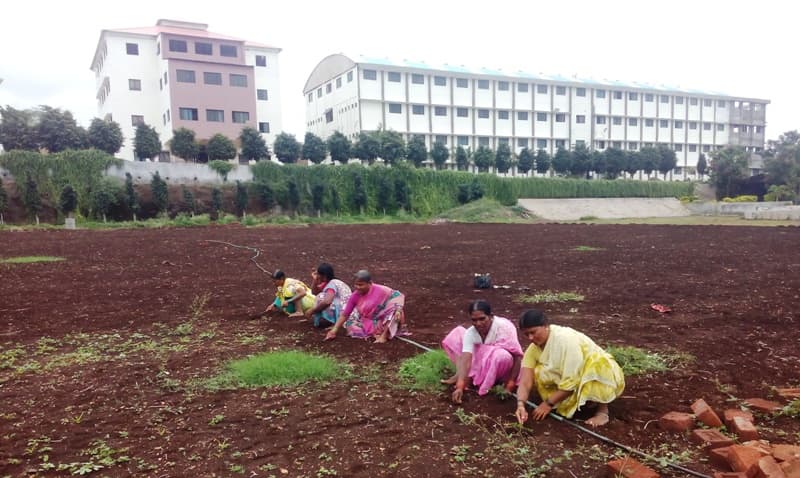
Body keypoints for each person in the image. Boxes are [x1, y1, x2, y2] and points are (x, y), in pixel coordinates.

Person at [514, 309, 625, 428]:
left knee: (596, 365)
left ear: (545, 326)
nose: (530, 338)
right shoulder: (533, 349)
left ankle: (602, 411)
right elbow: (525, 381)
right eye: (526, 334)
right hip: (572, 379)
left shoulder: (565, 340)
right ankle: (579, 402)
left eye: (533, 332)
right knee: (538, 372)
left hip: (597, 372)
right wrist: (521, 405)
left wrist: (547, 404)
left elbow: (571, 381)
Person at [441, 300, 524, 404]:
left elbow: (517, 356)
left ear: (491, 316)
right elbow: (466, 358)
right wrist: (460, 386)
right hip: (483, 362)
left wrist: (510, 385)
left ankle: (488, 380)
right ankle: (464, 377)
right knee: (457, 333)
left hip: (504, 368)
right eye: (474, 320)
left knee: (501, 356)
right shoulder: (471, 332)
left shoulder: (504, 327)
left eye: (482, 319)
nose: (478, 323)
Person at [324, 270, 407, 343]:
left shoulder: (381, 290)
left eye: (361, 285)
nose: (358, 287)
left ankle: (384, 336)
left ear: (370, 283)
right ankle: (376, 332)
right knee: (350, 323)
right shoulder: (355, 296)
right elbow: (345, 314)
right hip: (370, 322)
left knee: (395, 312)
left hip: (387, 319)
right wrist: (333, 331)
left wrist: (398, 310)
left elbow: (397, 296)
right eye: (356, 284)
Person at [305, 263, 352, 328]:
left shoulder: (332, 284)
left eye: (318, 274)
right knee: (321, 296)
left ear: (323, 276)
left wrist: (312, 310)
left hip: (344, 311)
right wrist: (315, 280)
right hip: (348, 310)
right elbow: (314, 292)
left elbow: (327, 301)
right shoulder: (332, 282)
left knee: (321, 297)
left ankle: (334, 322)